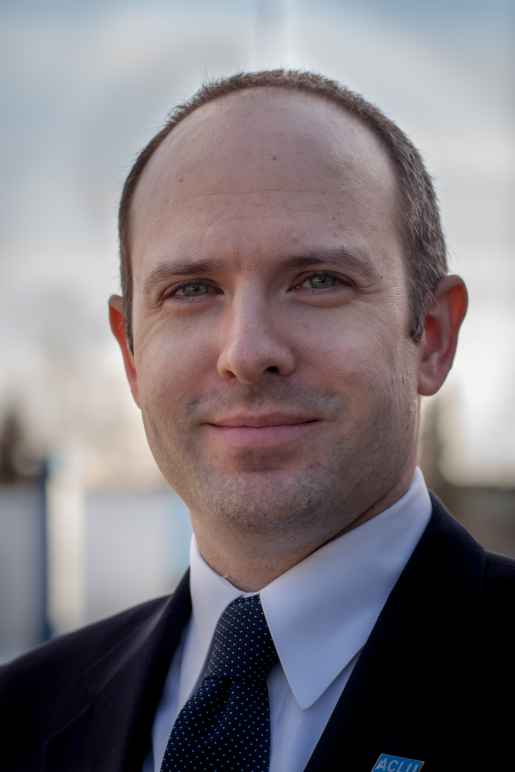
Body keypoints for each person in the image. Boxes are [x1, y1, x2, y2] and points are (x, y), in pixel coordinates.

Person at [1, 69, 513, 772]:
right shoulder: (20, 717)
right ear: (130, 353)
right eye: (191, 290)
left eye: (318, 281)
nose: (246, 353)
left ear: (430, 334)